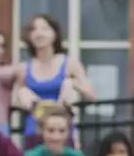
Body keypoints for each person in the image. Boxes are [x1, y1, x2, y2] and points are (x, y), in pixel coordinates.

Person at [11, 14, 96, 142]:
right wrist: (30, 101)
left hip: (62, 130)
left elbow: (91, 96)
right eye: (34, 30)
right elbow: (14, 100)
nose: (39, 33)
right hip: (35, 130)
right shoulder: (23, 68)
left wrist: (72, 83)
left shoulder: (69, 64)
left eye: (44, 29)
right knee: (23, 91)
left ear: (54, 33)